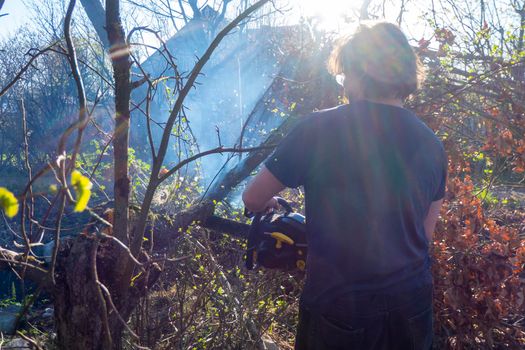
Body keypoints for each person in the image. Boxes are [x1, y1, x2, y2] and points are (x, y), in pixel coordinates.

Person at [242, 21, 446, 349]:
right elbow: (423, 236)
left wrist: (270, 208)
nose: (344, 84)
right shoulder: (433, 145)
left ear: (359, 72)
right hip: (412, 305)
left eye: (345, 75)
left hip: (340, 307)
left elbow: (253, 198)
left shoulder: (318, 128)